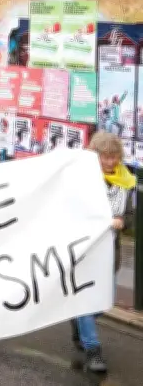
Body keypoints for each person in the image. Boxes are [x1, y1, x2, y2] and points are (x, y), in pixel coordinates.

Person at [69, 132, 134, 373]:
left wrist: (122, 222)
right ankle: (92, 350)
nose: (109, 162)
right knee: (87, 301)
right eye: (104, 157)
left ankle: (78, 320)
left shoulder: (125, 181)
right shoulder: (82, 180)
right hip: (85, 251)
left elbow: (129, 215)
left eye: (114, 157)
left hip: (109, 252)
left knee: (104, 302)